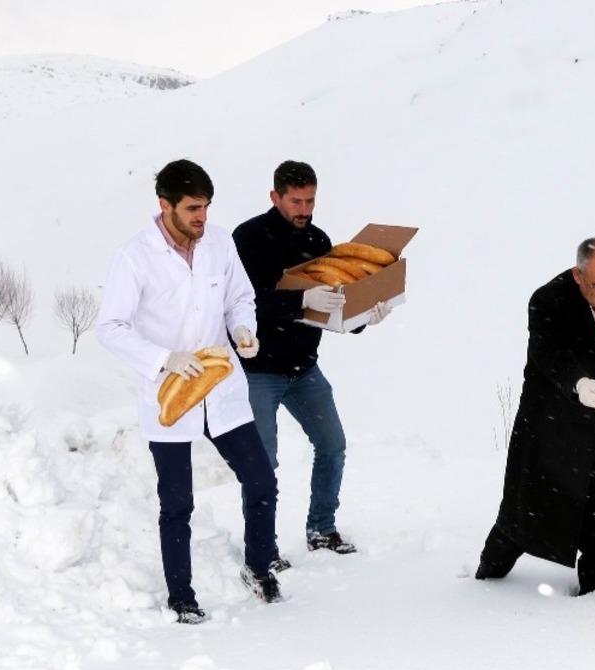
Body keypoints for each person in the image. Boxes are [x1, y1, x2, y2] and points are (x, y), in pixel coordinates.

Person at [96, 159, 282, 624]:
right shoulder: (133, 257)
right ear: (165, 206)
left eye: (207, 207)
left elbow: (240, 296)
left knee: (262, 481)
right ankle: (182, 596)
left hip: (221, 385)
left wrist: (243, 328)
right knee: (177, 502)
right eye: (193, 208)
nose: (202, 217)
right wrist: (164, 359)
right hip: (170, 392)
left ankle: (259, 568)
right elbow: (110, 328)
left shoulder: (219, 243)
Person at [475, 237, 595, 595]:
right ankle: (484, 583)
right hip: (555, 431)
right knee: (521, 518)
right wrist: (578, 382)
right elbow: (547, 352)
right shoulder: (549, 301)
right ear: (578, 275)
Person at [231, 160, 392, 564]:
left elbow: (335, 310)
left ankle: (321, 529)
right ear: (275, 197)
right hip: (259, 370)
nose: (304, 209)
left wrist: (365, 314)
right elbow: (244, 302)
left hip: (304, 368)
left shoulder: (319, 240)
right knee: (263, 464)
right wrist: (299, 300)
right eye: (296, 201)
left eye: (310, 201)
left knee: (332, 446)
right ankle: (262, 548)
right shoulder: (249, 237)